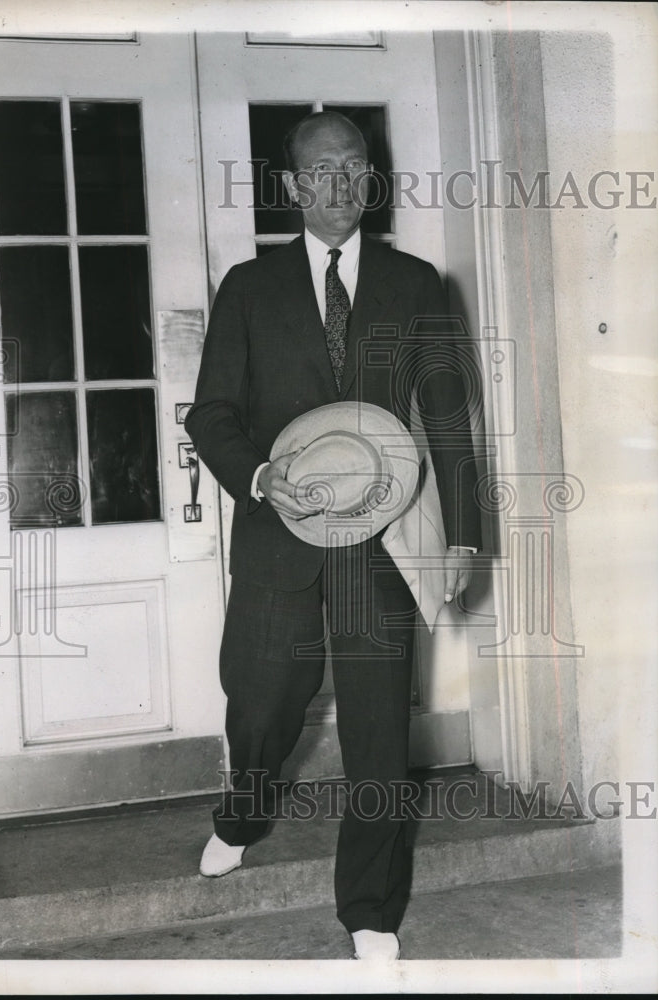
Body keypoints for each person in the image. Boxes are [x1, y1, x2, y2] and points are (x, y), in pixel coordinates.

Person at [185, 111, 481, 960]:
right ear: (291, 186)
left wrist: (459, 538)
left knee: (380, 731)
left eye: (354, 168)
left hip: (378, 538)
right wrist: (256, 476)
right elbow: (211, 413)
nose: (339, 185)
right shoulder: (248, 287)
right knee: (263, 703)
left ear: (371, 178)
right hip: (277, 533)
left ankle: (370, 909)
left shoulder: (415, 282)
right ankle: (243, 814)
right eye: (321, 171)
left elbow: (447, 418)